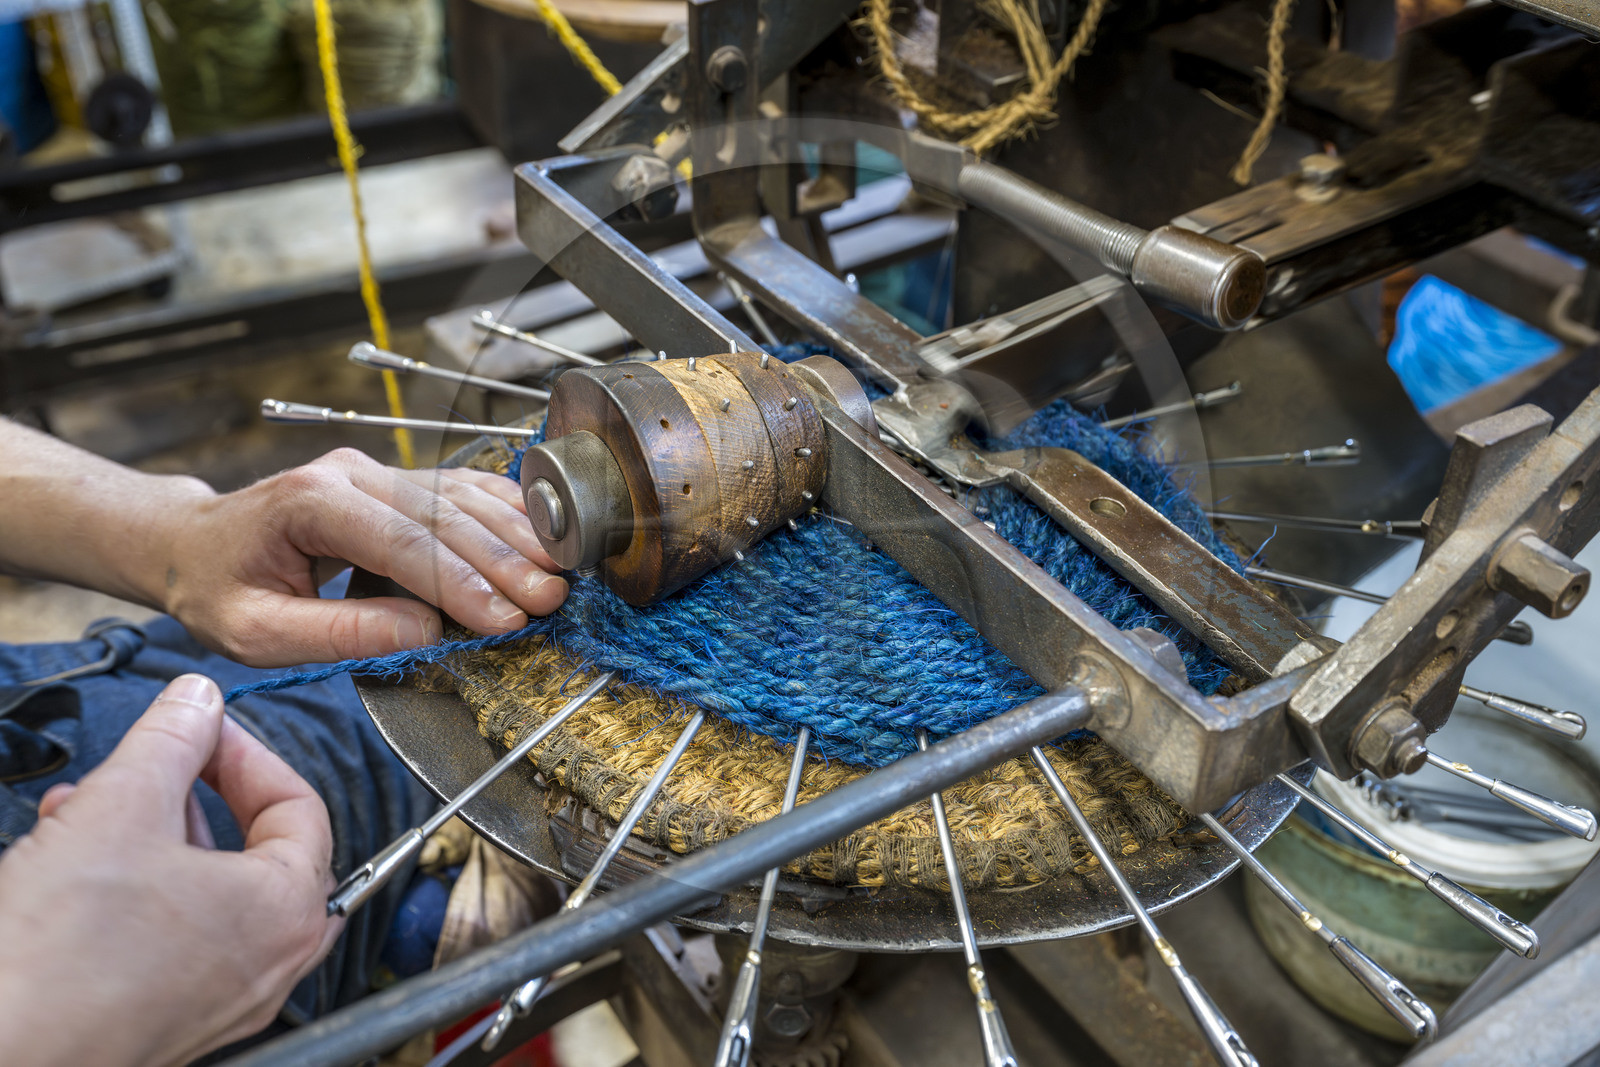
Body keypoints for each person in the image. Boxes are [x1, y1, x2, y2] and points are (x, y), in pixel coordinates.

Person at [0, 419, 568, 1064]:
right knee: (437, 662)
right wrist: (68, 1018)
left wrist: (175, 532)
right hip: (143, 947)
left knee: (340, 582)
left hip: (39, 689)